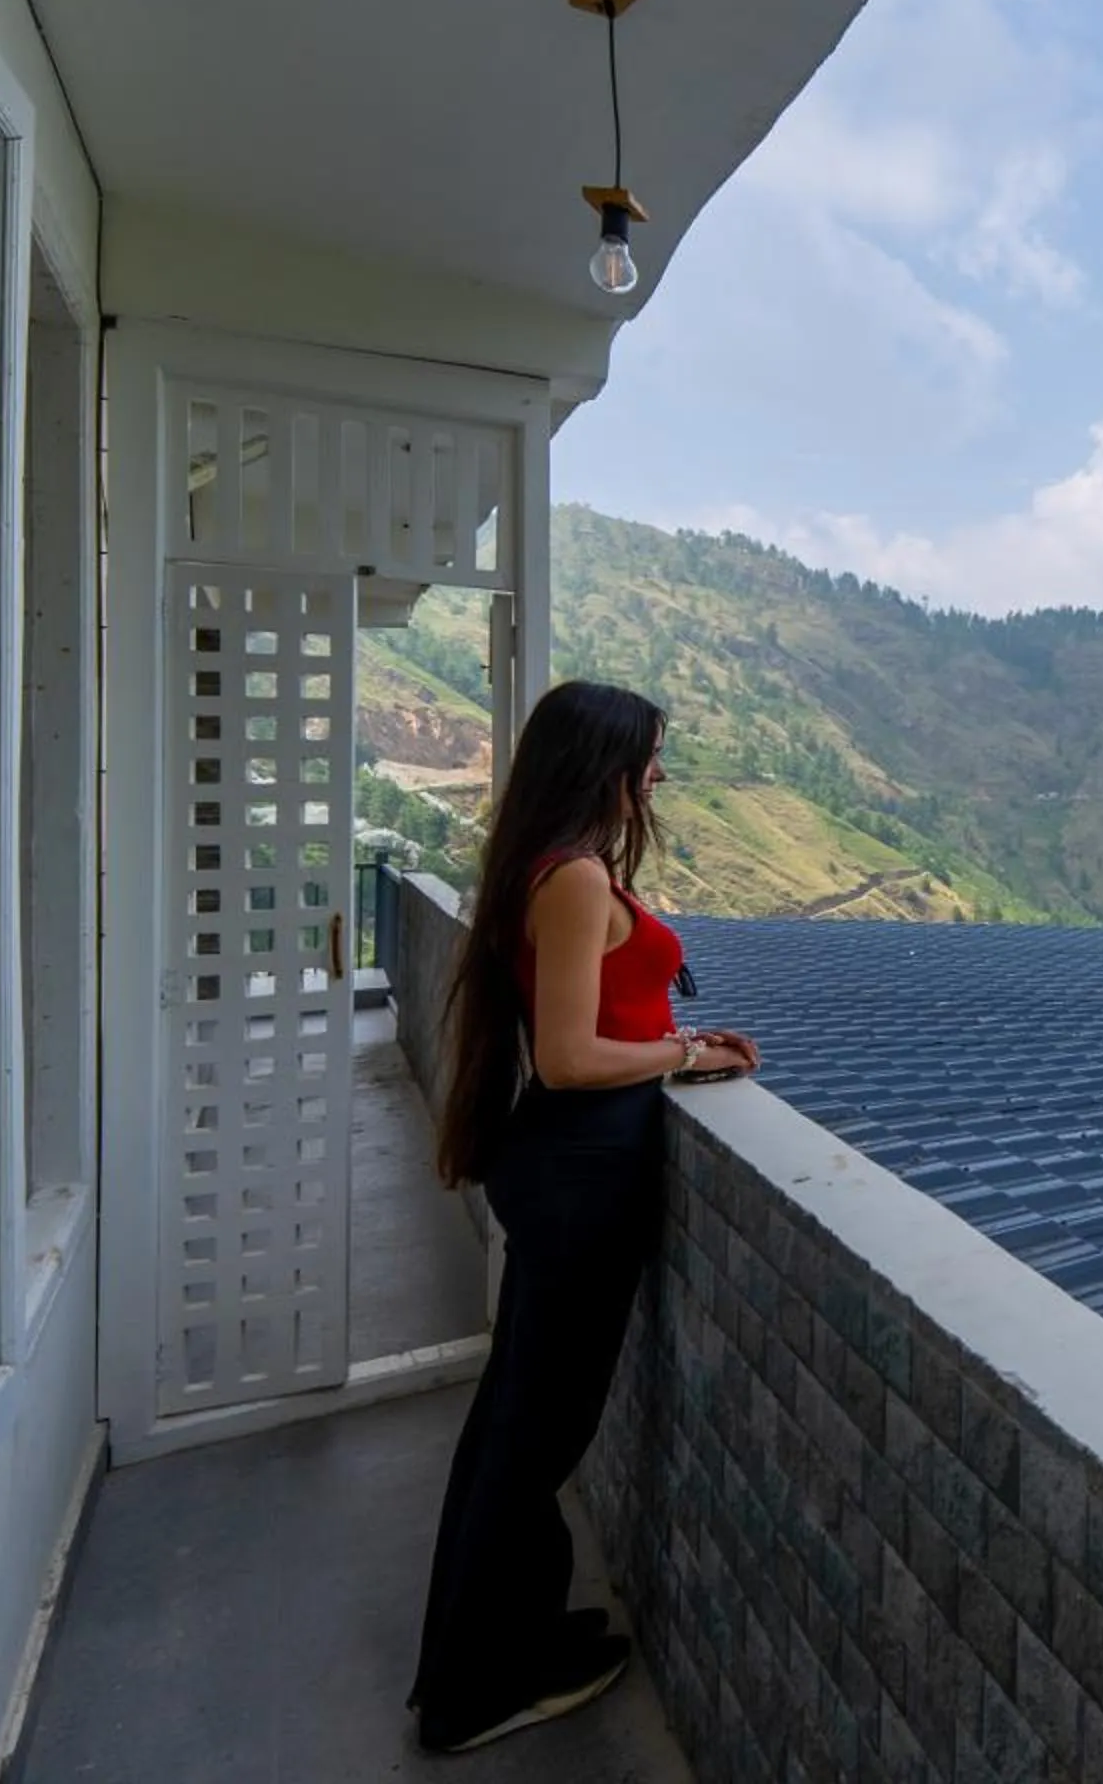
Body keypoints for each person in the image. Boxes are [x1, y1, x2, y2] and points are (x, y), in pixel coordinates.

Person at [408, 681, 758, 1754]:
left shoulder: (557, 866)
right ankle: (475, 1691)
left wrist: (667, 1047)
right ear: (603, 762)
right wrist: (685, 1052)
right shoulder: (571, 877)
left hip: (570, 1173)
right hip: (580, 1179)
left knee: (521, 1420)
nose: (657, 775)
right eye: (647, 757)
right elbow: (566, 1058)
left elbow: (592, 1023)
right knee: (536, 1434)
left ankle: (495, 1641)